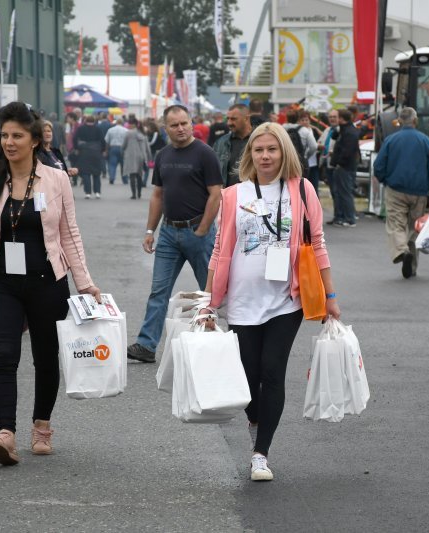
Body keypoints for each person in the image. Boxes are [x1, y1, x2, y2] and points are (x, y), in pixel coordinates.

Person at [0, 101, 101, 466]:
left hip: (47, 283)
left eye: (17, 135)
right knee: (4, 355)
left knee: (46, 359)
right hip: (2, 284)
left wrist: (85, 283)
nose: (9, 142)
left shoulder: (57, 179)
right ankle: (5, 434)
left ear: (34, 140)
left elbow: (69, 234)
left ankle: (42, 426)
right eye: (4, 135)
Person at [198, 121, 341, 481]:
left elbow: (318, 244)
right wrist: (208, 300)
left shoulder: (303, 191)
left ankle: (261, 453)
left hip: (285, 300)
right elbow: (220, 249)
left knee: (272, 372)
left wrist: (331, 295)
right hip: (243, 302)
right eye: (259, 150)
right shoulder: (234, 195)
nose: (265, 156)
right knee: (248, 377)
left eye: (272, 149)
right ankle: (255, 420)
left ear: (284, 153)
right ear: (250, 155)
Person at [126, 105, 222, 363]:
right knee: (159, 291)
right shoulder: (163, 155)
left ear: (191, 124)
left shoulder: (205, 154)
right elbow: (158, 195)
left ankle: (224, 340)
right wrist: (150, 231)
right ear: (165, 128)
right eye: (174, 125)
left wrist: (203, 229)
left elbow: (216, 194)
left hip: (198, 232)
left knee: (210, 291)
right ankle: (146, 345)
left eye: (184, 123)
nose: (180, 129)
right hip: (169, 233)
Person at [373, 107, 429, 278]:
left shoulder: (391, 140)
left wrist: (385, 180)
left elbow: (378, 166)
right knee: (414, 226)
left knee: (396, 224)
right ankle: (411, 267)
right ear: (415, 120)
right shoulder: (425, 141)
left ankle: (402, 252)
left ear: (400, 121)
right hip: (419, 192)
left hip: (395, 189)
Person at [329, 109, 359, 228]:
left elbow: (347, 151)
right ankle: (347, 217)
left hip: (345, 166)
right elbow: (335, 137)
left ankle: (350, 218)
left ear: (341, 118)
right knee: (342, 192)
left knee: (345, 192)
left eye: (338, 117)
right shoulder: (345, 130)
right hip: (344, 165)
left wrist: (338, 162)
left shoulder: (349, 132)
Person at [214, 104, 253, 187]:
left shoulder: (259, 140)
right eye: (228, 119)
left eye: (233, 119)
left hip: (254, 196)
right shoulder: (221, 143)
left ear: (246, 118)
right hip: (228, 196)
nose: (229, 123)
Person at [72, 115, 106, 199]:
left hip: (84, 151)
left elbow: (74, 138)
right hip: (96, 151)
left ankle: (88, 193)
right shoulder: (98, 129)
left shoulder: (81, 128)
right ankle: (97, 192)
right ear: (94, 121)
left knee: (86, 172)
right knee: (96, 172)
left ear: (85, 120)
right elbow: (102, 140)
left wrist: (77, 148)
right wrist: (102, 150)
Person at [122, 117, 152, 199]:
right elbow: (147, 148)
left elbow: (124, 145)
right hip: (141, 157)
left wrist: (124, 150)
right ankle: (139, 193)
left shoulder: (129, 133)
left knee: (132, 175)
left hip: (131, 156)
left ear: (133, 125)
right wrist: (149, 158)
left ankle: (134, 194)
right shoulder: (143, 134)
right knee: (139, 175)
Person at [317, 109, 339, 222]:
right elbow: (320, 142)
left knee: (337, 191)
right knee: (332, 190)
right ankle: (337, 215)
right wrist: (319, 146)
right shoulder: (327, 130)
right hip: (325, 163)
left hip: (335, 164)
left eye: (334, 117)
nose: (332, 119)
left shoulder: (340, 130)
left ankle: (339, 215)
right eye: (330, 117)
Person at [282, 109, 317, 179]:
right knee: (301, 184)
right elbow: (314, 146)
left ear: (287, 118)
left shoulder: (281, 128)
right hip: (301, 161)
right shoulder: (305, 130)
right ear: (298, 118)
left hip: (285, 161)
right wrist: (306, 156)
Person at [104, 118, 128, 185]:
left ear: (116, 122)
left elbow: (107, 141)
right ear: (122, 123)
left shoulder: (110, 130)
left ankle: (112, 178)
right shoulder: (126, 130)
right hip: (123, 148)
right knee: (124, 165)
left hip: (113, 147)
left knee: (112, 164)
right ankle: (125, 179)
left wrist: (106, 150)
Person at [145, 118, 166, 188]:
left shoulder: (156, 133)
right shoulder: (148, 133)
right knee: (148, 167)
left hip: (155, 151)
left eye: (149, 127)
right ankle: (144, 181)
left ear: (152, 127)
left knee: (155, 167)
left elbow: (152, 142)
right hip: (150, 151)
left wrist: (145, 144)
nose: (147, 128)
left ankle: (158, 182)